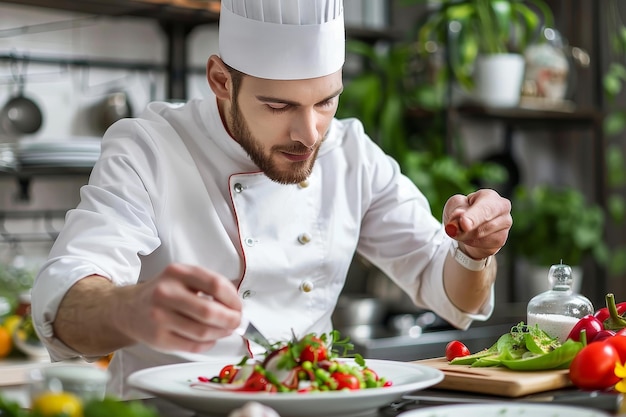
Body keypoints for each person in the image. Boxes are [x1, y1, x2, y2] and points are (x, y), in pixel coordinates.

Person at [31, 0, 512, 398]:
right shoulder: (150, 148)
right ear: (221, 79)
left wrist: (475, 250)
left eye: (325, 101)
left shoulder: (351, 154)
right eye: (278, 106)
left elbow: (450, 294)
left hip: (316, 405)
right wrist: (130, 308)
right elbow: (64, 299)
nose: (308, 134)